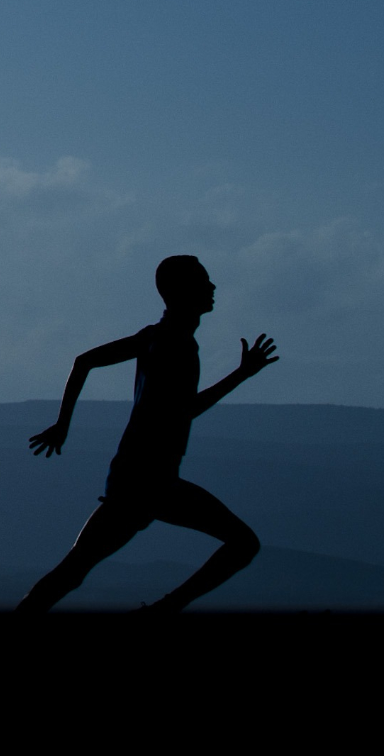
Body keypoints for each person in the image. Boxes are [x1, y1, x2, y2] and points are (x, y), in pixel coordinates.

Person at [16, 255, 279, 613]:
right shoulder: (176, 345)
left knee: (74, 569)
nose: (213, 287)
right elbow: (185, 411)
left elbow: (84, 361)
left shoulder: (155, 336)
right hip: (150, 481)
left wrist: (63, 425)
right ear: (181, 291)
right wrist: (241, 375)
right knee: (243, 544)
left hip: (136, 478)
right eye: (204, 281)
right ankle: (164, 610)